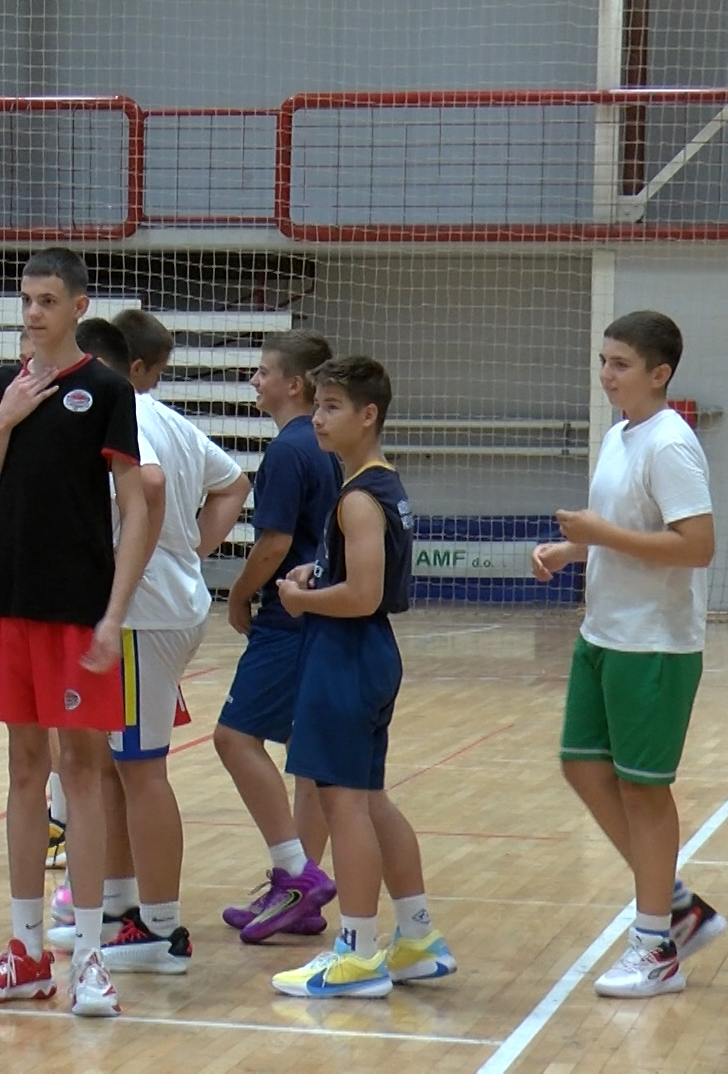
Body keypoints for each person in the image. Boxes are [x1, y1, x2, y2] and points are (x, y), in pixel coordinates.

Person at [0, 248, 156, 1018]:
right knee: (23, 769)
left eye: (46, 300)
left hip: (79, 609)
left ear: (77, 306)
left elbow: (136, 505)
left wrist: (114, 611)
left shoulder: (105, 390)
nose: (33, 312)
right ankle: (25, 952)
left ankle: (91, 958)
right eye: (25, 300)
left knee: (84, 770)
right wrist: (4, 421)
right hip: (8, 603)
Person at [44, 312, 249, 974]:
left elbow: (151, 485)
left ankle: (161, 928)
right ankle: (116, 905)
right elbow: (234, 481)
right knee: (110, 765)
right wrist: (192, 549)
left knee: (140, 769)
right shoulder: (166, 416)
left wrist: (139, 567)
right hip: (161, 607)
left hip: (143, 615)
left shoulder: (123, 414)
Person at [532, 309, 724, 998]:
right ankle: (677, 906)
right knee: (582, 765)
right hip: (602, 633)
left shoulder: (669, 444)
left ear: (659, 373)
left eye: (620, 364)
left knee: (644, 789)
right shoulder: (620, 434)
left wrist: (599, 536)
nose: (607, 374)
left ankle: (655, 947)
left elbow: (697, 546)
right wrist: (573, 548)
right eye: (603, 361)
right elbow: (624, 529)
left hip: (654, 643)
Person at [269, 355, 456, 999]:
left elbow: (364, 594)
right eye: (317, 406)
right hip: (368, 653)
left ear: (368, 415)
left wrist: (302, 599)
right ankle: (418, 938)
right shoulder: (380, 484)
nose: (318, 419)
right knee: (371, 800)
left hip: (345, 652)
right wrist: (316, 574)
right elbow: (355, 576)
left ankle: (356, 952)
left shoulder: (357, 498)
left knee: (342, 803)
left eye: (332, 408)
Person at [212, 330, 342, 943]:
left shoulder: (289, 451)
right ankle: (299, 893)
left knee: (234, 738)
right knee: (307, 755)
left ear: (294, 384)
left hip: (288, 618)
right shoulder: (328, 445)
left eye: (263, 372)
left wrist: (239, 593)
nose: (254, 381)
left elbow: (274, 543)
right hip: (325, 616)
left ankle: (298, 874)